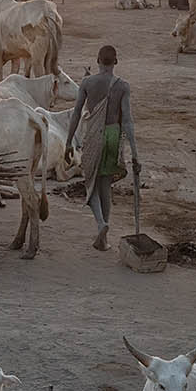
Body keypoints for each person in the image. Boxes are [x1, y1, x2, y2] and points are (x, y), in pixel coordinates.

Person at [64, 45, 140, 251]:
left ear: (98, 60)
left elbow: (77, 113)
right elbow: (128, 121)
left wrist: (68, 142)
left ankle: (101, 224)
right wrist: (134, 152)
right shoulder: (123, 86)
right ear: (116, 62)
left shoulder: (88, 83)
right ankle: (103, 240)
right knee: (105, 185)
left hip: (94, 136)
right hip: (113, 135)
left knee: (91, 184)